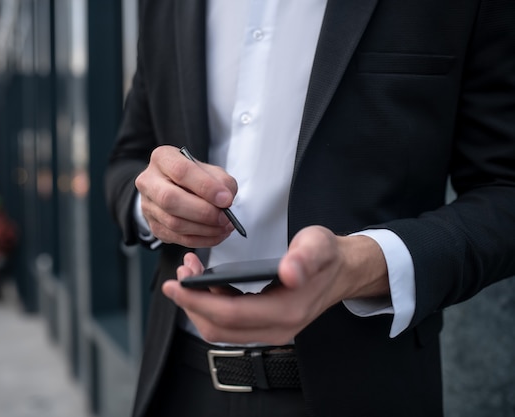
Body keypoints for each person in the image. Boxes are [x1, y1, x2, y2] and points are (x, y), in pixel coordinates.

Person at [105, 1, 515, 416]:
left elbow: (504, 188)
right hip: (177, 382)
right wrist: (154, 204)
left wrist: (363, 265)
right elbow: (128, 160)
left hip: (367, 391)